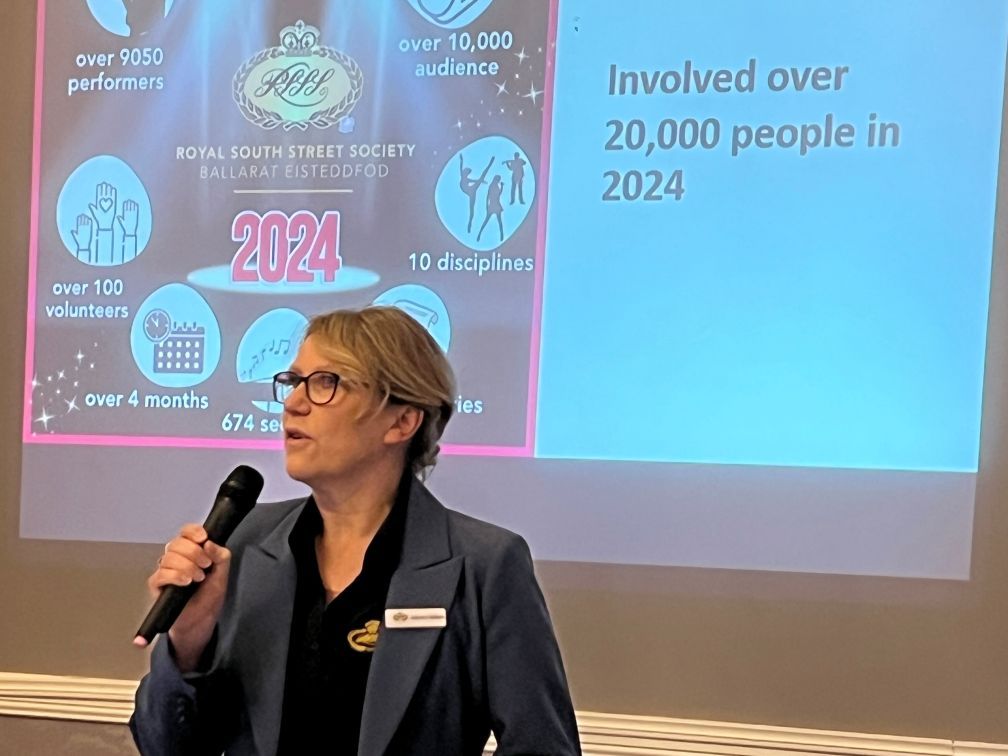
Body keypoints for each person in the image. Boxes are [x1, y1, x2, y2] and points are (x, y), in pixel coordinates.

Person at [130, 306, 581, 755]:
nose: (294, 403)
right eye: (293, 382)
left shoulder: (484, 566)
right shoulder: (243, 544)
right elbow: (162, 745)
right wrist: (189, 641)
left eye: (326, 382)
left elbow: (543, 746)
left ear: (402, 421)